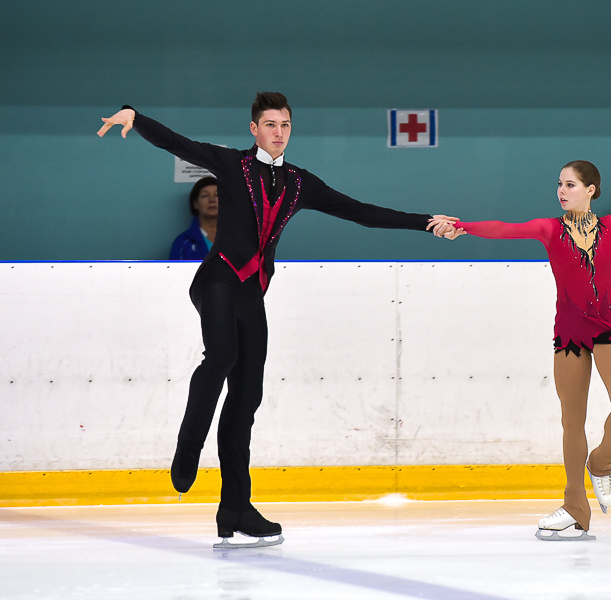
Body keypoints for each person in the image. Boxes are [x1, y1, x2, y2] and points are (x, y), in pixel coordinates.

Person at [98, 92, 456, 547]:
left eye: (285, 124)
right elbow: (179, 143)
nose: (278, 131)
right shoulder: (230, 165)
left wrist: (425, 221)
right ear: (254, 128)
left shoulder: (300, 183)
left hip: (252, 291)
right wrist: (137, 117)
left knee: (247, 397)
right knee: (223, 354)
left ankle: (236, 508)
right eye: (270, 124)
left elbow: (360, 212)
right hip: (218, 279)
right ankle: (189, 443)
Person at [429, 162, 611, 540]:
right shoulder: (549, 229)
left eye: (570, 184)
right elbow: (505, 229)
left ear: (590, 190)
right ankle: (575, 507)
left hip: (607, 325)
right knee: (572, 421)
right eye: (559, 184)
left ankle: (602, 462)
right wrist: (464, 227)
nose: (561, 190)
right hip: (570, 330)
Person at [170, 176, 218, 260]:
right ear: (195, 203)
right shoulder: (183, 243)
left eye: (217, 195)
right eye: (205, 195)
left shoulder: (238, 240)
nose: (212, 200)